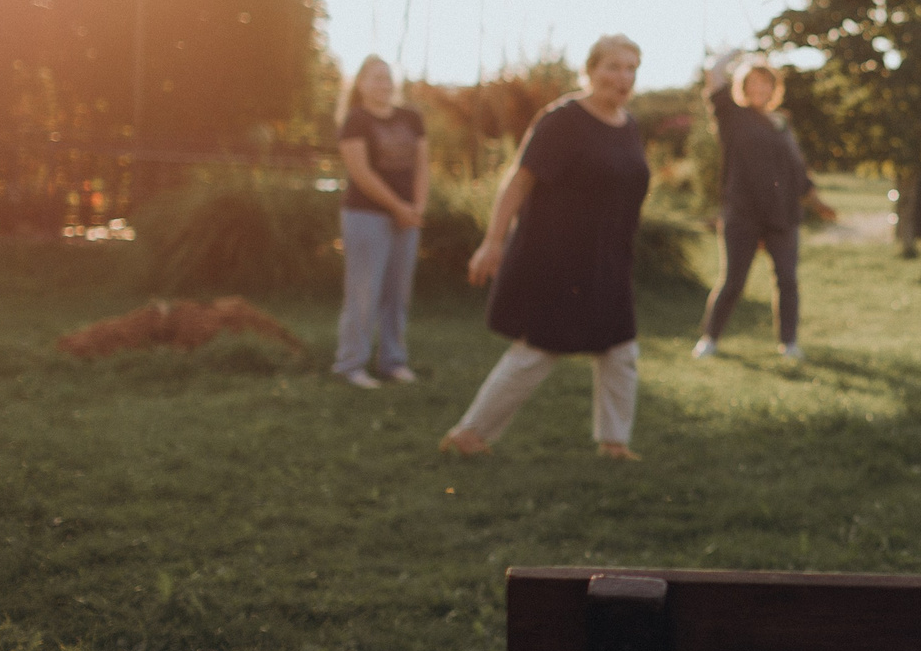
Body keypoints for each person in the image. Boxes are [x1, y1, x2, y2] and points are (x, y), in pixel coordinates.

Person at [440, 35, 650, 461]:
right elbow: (518, 182)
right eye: (613, 66)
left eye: (631, 68)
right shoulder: (563, 121)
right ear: (590, 70)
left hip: (608, 261)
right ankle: (468, 434)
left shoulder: (628, 126)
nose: (623, 77)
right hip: (557, 260)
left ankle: (614, 444)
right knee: (538, 350)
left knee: (620, 350)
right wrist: (493, 243)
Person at [693, 49, 828, 360]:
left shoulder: (781, 123)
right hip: (742, 213)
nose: (759, 88)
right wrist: (734, 54)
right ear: (742, 87)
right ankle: (709, 339)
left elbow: (796, 168)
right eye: (752, 82)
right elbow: (713, 76)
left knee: (788, 280)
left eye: (765, 83)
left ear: (774, 88)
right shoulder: (731, 117)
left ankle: (789, 344)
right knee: (733, 280)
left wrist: (816, 200)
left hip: (783, 215)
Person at [333, 55, 428, 388]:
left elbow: (422, 167)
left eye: (387, 78)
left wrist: (417, 208)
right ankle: (351, 364)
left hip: (407, 219)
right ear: (361, 84)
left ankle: (393, 362)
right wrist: (398, 207)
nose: (383, 84)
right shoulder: (355, 121)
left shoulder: (411, 117)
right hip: (365, 216)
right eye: (375, 78)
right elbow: (362, 174)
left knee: (397, 294)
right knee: (364, 291)